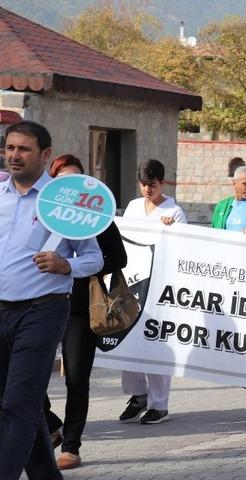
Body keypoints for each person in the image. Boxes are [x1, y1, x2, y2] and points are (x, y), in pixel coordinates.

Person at [0, 121, 104, 480]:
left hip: (43, 309)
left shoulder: (63, 199)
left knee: (19, 402)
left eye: (23, 149)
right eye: (10, 147)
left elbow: (95, 258)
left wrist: (66, 265)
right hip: (1, 308)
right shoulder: (0, 193)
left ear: (45, 155)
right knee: (13, 406)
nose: (14, 155)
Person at [42, 155, 127, 470]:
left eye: (77, 181)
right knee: (24, 373)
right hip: (40, 303)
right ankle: (51, 424)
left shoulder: (97, 219)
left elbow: (119, 257)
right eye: (64, 182)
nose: (72, 189)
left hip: (81, 308)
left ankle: (72, 446)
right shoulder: (40, 215)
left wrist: (80, 265)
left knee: (77, 379)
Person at [119, 159, 186, 425]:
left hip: (159, 286)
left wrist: (172, 231)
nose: (148, 190)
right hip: (132, 283)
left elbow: (182, 249)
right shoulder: (134, 207)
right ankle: (138, 395)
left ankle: (159, 404)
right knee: (128, 342)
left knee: (156, 345)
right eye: (144, 185)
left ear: (163, 183)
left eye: (153, 185)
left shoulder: (174, 211)